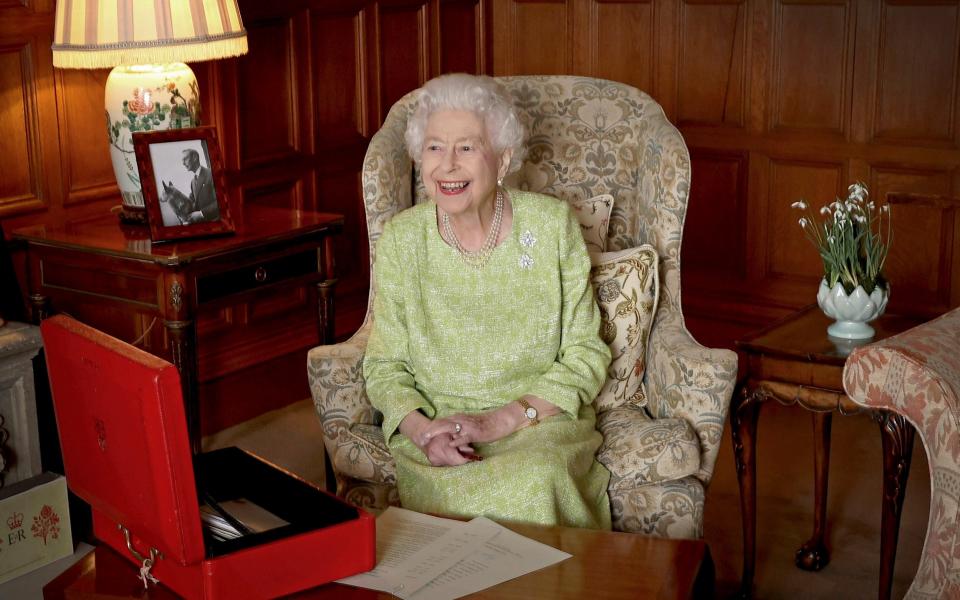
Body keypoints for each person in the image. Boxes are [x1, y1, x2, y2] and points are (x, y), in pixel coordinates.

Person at [362, 73, 612, 529]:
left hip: (538, 424)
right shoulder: (402, 239)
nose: (448, 165)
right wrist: (423, 433)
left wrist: (499, 422)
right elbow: (384, 367)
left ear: (502, 159)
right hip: (438, 432)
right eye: (435, 147)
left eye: (467, 147)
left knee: (537, 481)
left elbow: (585, 353)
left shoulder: (553, 226)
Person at [181, 148, 218, 222]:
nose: (183, 163)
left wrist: (201, 213)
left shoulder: (211, 174)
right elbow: (192, 203)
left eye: (185, 159)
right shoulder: (192, 182)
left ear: (195, 157)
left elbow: (220, 202)